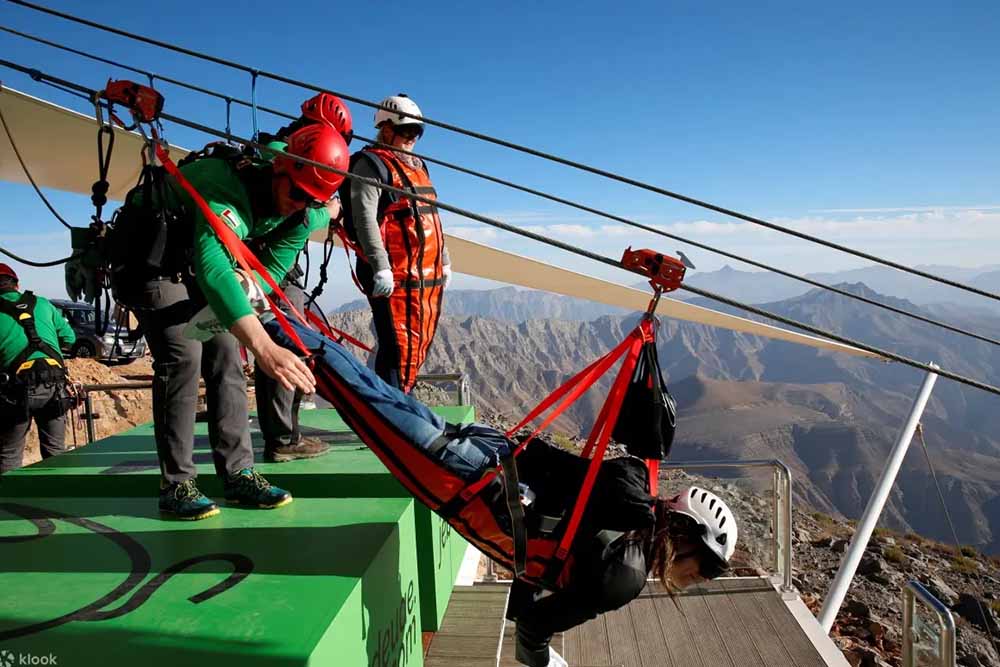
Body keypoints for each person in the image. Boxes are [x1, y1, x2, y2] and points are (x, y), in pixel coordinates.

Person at [262, 316, 738, 667]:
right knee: (356, 396)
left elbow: (549, 553)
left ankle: (277, 319)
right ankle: (269, 324)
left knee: (372, 391)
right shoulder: (624, 576)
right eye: (705, 569)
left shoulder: (633, 493)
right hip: (465, 480)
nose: (699, 579)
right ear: (688, 537)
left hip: (489, 449)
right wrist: (542, 661)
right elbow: (534, 625)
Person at [116, 123, 348, 519]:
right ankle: (176, 484)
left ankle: (238, 474)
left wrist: (249, 284)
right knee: (182, 356)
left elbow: (273, 265)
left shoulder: (303, 215)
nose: (299, 204)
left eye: (312, 201)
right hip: (154, 262)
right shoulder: (225, 185)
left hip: (201, 262)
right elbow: (212, 270)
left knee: (226, 356)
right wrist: (265, 346)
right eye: (296, 193)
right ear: (279, 171)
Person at [250, 92, 355, 462]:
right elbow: (303, 213)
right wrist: (328, 210)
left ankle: (284, 434)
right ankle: (282, 439)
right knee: (288, 342)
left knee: (290, 341)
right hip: (270, 270)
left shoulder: (276, 149)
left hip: (267, 265)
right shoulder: (285, 154)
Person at [342, 93, 451, 393]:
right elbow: (364, 218)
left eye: (417, 131)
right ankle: (390, 411)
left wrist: (444, 258)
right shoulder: (370, 165)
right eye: (406, 131)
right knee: (395, 348)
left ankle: (400, 403)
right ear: (385, 128)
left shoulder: (418, 166)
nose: (412, 138)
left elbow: (431, 217)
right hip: (393, 274)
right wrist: (380, 266)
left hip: (425, 276)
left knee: (417, 343)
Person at [0, 263, 76, 473]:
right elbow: (69, 339)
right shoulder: (43, 303)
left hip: (15, 391)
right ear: (17, 285)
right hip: (54, 386)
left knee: (9, 454)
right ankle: (57, 502)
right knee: (55, 452)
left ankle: (8, 503)